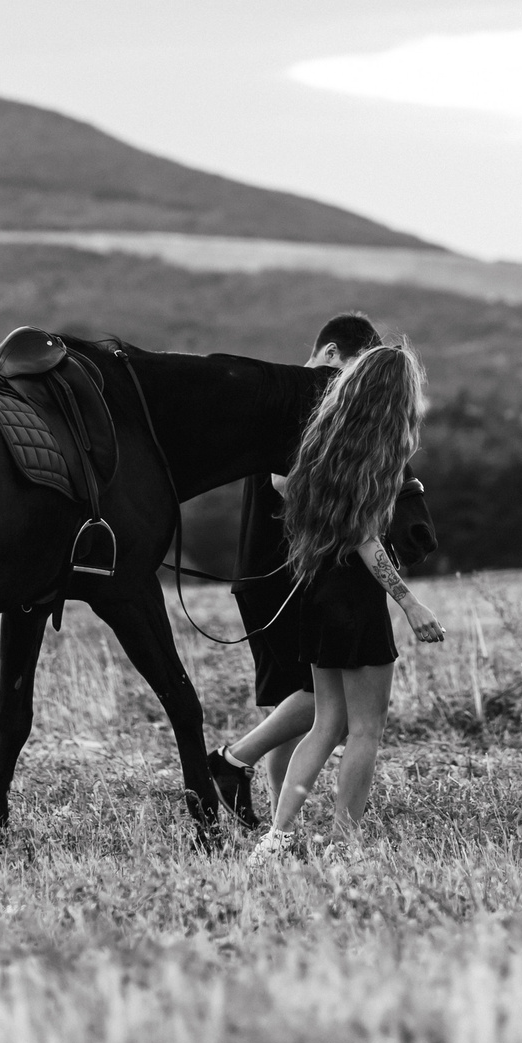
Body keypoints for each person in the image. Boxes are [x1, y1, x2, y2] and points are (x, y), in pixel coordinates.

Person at [251, 342, 444, 857]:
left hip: (315, 589)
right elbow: (365, 538)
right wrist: (409, 602)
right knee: (365, 731)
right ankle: (343, 843)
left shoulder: (320, 436)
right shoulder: (379, 452)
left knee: (325, 723)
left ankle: (277, 837)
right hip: (356, 600)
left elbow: (279, 482)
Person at [205, 313, 382, 822]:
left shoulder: (287, 399)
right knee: (325, 703)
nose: (350, 382)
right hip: (282, 575)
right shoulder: (304, 401)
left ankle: (280, 824)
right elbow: (285, 484)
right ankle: (231, 761)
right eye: (351, 369)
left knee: (297, 703)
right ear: (331, 353)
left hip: (268, 572)